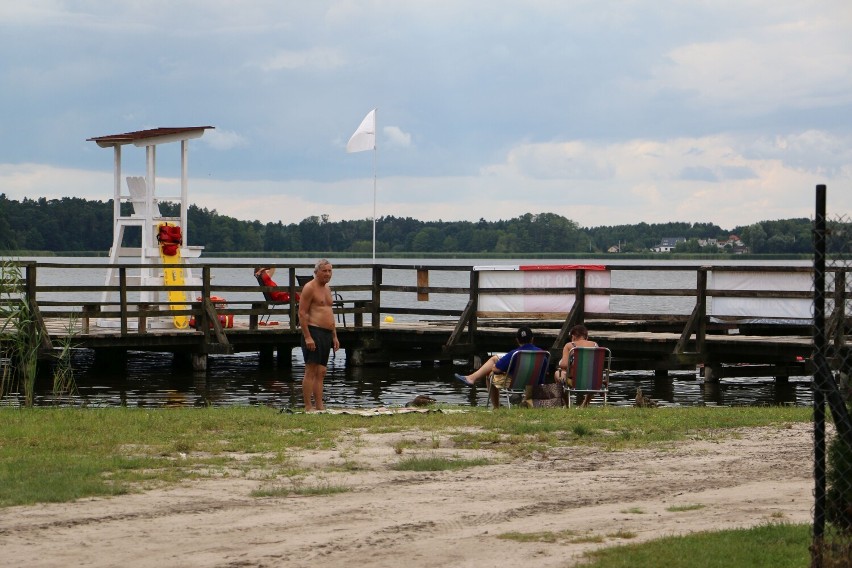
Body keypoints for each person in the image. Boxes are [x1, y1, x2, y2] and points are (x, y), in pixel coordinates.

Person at [453, 326, 544, 408]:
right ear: (532, 339)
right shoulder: (543, 354)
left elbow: (496, 369)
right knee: (496, 360)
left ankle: (496, 407)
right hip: (534, 384)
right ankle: (471, 378)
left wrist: (496, 368)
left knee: (490, 375)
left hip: (515, 383)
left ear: (517, 340)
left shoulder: (515, 353)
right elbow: (544, 372)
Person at [298, 259, 340, 412]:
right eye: (324, 271)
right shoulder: (309, 288)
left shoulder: (327, 289)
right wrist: (308, 336)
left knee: (322, 371)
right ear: (316, 272)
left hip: (327, 333)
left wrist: (334, 335)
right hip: (313, 331)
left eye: (329, 271)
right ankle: (308, 406)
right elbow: (301, 313)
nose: (327, 274)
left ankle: (319, 406)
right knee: (311, 370)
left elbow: (329, 312)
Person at [555, 324, 599, 407]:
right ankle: (585, 404)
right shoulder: (595, 345)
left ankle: (567, 405)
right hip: (593, 381)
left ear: (573, 336)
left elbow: (563, 365)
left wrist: (568, 364)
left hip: (575, 382)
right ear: (586, 336)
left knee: (558, 373)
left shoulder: (570, 346)